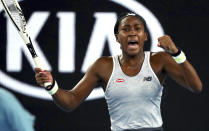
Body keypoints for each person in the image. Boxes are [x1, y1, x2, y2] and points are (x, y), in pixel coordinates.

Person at [35, 12, 202, 131]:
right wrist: (51, 86)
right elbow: (70, 102)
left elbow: (196, 87)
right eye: (126, 29)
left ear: (145, 36)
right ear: (117, 37)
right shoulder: (103, 66)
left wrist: (176, 54)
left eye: (138, 28)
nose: (132, 32)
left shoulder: (160, 60)